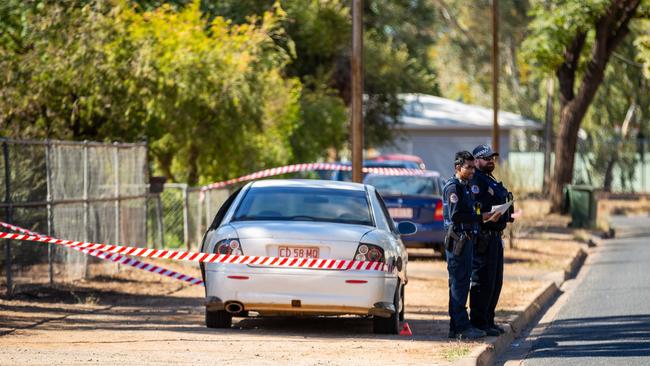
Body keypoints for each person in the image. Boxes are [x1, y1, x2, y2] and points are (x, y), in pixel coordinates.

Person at [442, 151, 501, 340]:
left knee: (463, 283)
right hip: (458, 240)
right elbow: (456, 216)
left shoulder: (465, 186)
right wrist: (481, 217)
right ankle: (460, 327)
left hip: (468, 240)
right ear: (457, 168)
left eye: (472, 167)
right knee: (458, 285)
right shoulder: (453, 188)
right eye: (468, 167)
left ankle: (459, 326)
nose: (472, 171)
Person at [469, 144, 514, 336]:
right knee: (483, 281)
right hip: (484, 236)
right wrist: (486, 215)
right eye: (486, 158)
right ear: (476, 160)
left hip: (496, 236)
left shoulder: (489, 179)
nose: (490, 161)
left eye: (492, 158)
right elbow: (475, 208)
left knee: (495, 281)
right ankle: (479, 322)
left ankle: (489, 319)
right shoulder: (476, 181)